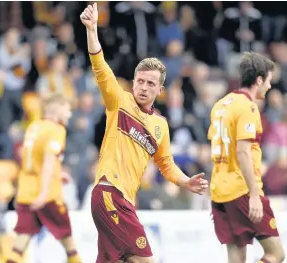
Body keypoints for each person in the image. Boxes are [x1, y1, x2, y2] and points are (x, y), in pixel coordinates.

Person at [80, 3, 209, 263]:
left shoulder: (160, 126)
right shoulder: (120, 102)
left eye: (151, 83)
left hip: (125, 199)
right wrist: (92, 30)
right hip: (109, 193)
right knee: (145, 260)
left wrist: (185, 182)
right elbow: (99, 66)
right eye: (140, 80)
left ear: (159, 90)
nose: (143, 87)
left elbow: (166, 164)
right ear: (134, 80)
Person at [208, 52, 285, 263]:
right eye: (268, 81)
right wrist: (253, 194)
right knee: (276, 254)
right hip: (242, 190)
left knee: (236, 258)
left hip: (220, 192)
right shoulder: (248, 107)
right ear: (259, 80)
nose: (269, 87)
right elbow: (243, 151)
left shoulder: (220, 105)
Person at [6, 93, 82, 263]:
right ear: (58, 110)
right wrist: (44, 192)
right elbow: (48, 161)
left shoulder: (34, 127)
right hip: (47, 194)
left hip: (26, 191)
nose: (69, 115)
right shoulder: (56, 130)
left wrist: (57, 173)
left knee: (22, 239)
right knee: (68, 238)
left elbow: (31, 159)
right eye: (67, 110)